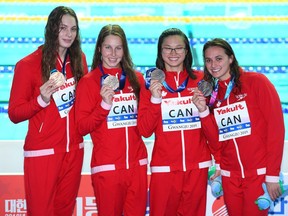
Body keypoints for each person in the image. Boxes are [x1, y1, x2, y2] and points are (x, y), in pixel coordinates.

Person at [8, 6, 88, 215]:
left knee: (65, 211)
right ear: (52, 29)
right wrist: (41, 100)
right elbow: (14, 113)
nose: (68, 34)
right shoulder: (28, 65)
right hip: (43, 152)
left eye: (73, 29)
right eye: (62, 28)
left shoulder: (80, 61)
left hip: (74, 151)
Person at [192, 38, 285, 216]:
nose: (213, 65)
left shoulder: (256, 82)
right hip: (229, 177)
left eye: (219, 58)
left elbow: (276, 130)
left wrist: (272, 175)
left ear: (231, 58)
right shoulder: (212, 95)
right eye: (208, 60)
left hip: (257, 175)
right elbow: (216, 140)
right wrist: (203, 111)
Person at [137, 28, 218, 216]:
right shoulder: (150, 84)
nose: (173, 53)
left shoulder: (201, 81)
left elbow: (214, 129)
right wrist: (155, 99)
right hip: (164, 169)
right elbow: (145, 129)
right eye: (168, 48)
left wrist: (203, 110)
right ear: (160, 52)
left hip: (197, 168)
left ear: (187, 51)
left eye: (178, 48)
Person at [75, 24, 148, 216]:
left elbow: (146, 123)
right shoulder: (88, 82)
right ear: (99, 48)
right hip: (107, 168)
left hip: (137, 166)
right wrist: (104, 106)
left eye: (118, 47)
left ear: (125, 50)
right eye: (108, 47)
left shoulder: (136, 80)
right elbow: (81, 127)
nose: (113, 53)